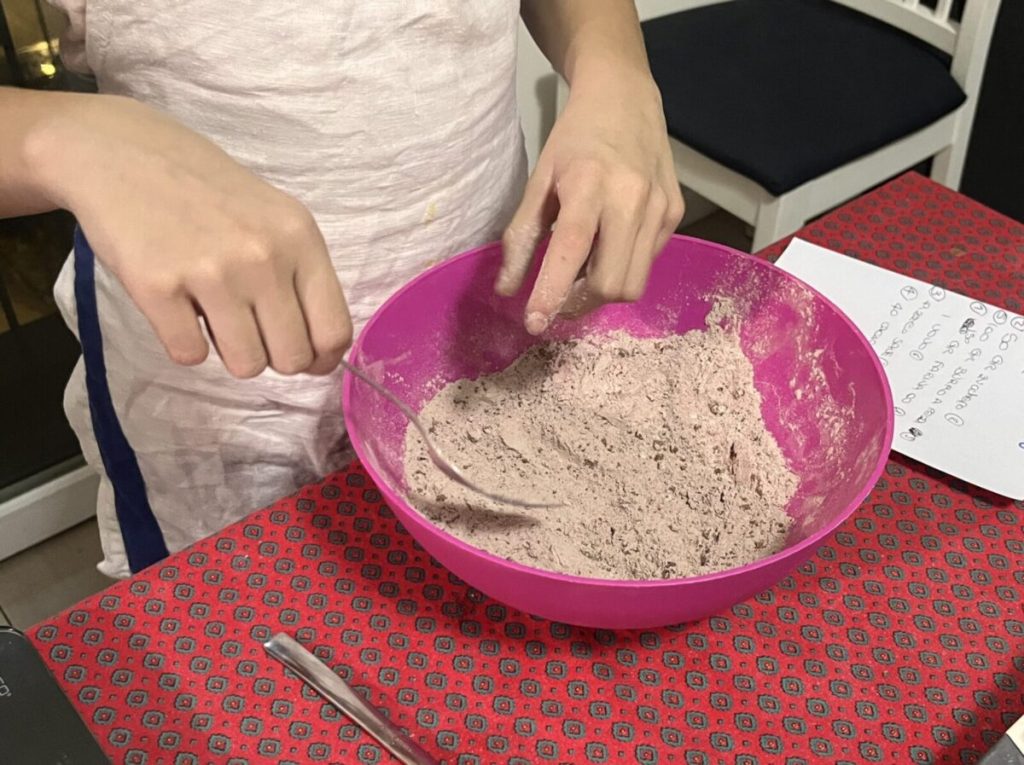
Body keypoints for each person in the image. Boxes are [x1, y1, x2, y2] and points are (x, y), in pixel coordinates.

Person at [0, 1, 683, 578]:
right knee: (248, 668)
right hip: (220, 371)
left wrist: (615, 67)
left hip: (484, 311)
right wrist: (64, 139)